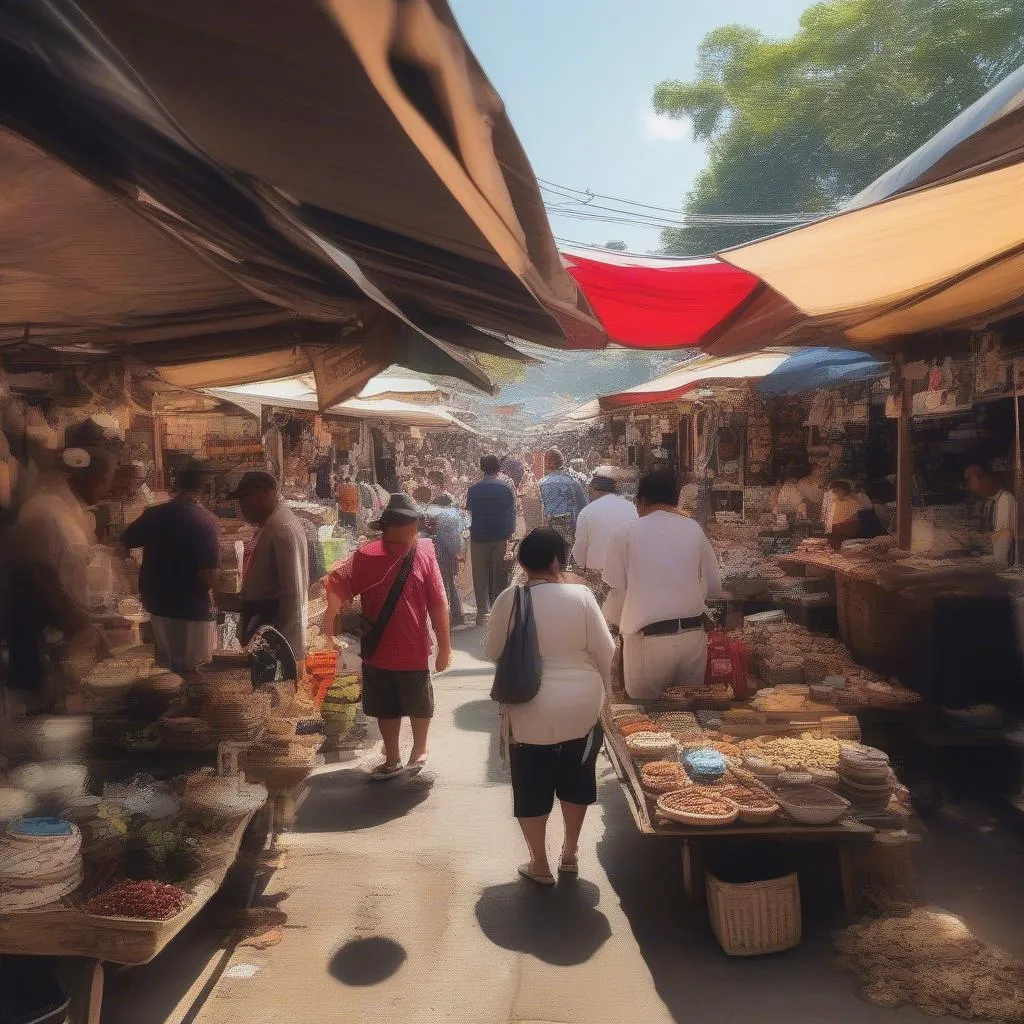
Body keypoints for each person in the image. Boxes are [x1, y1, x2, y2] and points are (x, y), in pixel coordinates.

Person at [484, 528, 614, 885]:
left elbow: (493, 651)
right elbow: (606, 654)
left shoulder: (510, 599)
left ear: (523, 562)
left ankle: (539, 863)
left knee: (531, 783)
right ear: (558, 560)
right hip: (582, 707)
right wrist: (610, 698)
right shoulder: (583, 596)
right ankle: (570, 852)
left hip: (529, 707)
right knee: (577, 777)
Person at [326, 494, 451, 779]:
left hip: (414, 648)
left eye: (407, 534)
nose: (399, 543)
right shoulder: (366, 556)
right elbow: (337, 583)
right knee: (385, 706)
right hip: (378, 648)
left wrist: (445, 647)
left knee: (419, 702)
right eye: (393, 539)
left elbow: (438, 602)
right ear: (384, 530)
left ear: (415, 528)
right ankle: (392, 755)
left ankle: (419, 749)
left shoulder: (425, 554)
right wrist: (329, 622)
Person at [2, 421, 120, 700]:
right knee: (40, 720)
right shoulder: (45, 510)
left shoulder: (74, 511)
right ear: (91, 476)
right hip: (41, 641)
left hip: (63, 637)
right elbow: (40, 572)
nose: (108, 486)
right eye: (108, 478)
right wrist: (78, 621)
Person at [602, 469, 723, 700]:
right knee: (689, 723)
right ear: (674, 500)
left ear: (642, 501)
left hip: (647, 644)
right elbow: (715, 586)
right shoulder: (694, 529)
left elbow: (617, 592)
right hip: (692, 640)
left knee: (647, 724)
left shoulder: (625, 533)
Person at [120, 461, 220, 672]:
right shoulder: (206, 521)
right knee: (195, 674)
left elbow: (123, 543)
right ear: (207, 487)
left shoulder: (154, 514)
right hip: (191, 611)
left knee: (163, 672)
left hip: (155, 608)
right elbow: (208, 577)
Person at [219, 471, 309, 660]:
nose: (242, 507)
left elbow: (293, 592)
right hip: (263, 623)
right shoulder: (271, 524)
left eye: (246, 499)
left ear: (267, 493)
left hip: (273, 629)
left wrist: (282, 645)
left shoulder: (282, 528)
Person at [465, 454, 516, 624]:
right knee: (499, 573)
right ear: (499, 468)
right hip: (500, 536)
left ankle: (483, 614)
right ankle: (499, 610)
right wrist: (510, 532)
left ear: (482, 468)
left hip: (479, 537)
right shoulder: (506, 488)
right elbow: (512, 513)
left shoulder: (474, 489)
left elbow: (469, 514)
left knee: (480, 575)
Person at [571, 472, 638, 595]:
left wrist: (581, 565)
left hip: (596, 575)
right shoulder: (631, 508)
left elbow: (580, 551)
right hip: (626, 573)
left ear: (593, 490)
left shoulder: (587, 512)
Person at [965, 462, 1018, 567]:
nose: (970, 486)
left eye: (971, 480)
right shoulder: (989, 501)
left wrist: (979, 537)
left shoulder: (1005, 500)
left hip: (1003, 568)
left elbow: (1003, 543)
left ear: (987, 478)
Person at [539, 448, 589, 547]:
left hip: (551, 523)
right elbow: (584, 504)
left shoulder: (542, 483)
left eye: (544, 461)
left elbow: (540, 508)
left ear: (549, 463)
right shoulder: (573, 481)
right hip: (570, 523)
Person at [431, 493, 466, 629]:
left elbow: (447, 540)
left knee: (445, 586)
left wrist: (455, 554)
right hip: (449, 555)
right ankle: (456, 615)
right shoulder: (453, 516)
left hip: (444, 556)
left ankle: (449, 617)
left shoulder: (444, 518)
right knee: (451, 584)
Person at [826, 479, 889, 549]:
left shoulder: (859, 498)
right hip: (855, 532)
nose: (834, 494)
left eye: (835, 491)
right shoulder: (839, 501)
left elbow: (858, 517)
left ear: (843, 490)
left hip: (867, 531)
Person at [336, 470, 362, 535]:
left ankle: (343, 533)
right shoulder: (356, 486)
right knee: (353, 523)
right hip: (353, 508)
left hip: (344, 508)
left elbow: (338, 496)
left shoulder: (341, 486)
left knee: (343, 523)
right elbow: (358, 496)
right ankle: (354, 533)